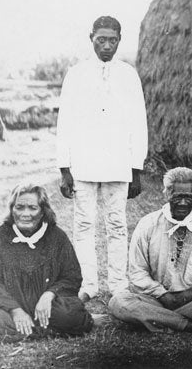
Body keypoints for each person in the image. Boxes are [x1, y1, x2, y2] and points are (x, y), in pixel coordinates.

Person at [56, 15, 148, 302]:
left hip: (118, 162)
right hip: (84, 161)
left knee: (117, 225)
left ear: (119, 40)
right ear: (91, 38)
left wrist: (136, 167)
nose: (107, 46)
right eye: (101, 40)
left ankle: (118, 284)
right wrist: (64, 167)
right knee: (84, 225)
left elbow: (138, 122)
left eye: (112, 40)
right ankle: (89, 284)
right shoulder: (77, 73)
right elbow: (65, 121)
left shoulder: (128, 74)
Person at [109, 167, 192, 333]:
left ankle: (159, 319)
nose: (183, 203)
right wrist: (163, 295)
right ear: (167, 194)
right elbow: (137, 273)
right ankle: (191, 325)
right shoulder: (147, 224)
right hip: (155, 299)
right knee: (119, 301)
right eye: (178, 197)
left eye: (188, 197)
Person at [0, 183, 93, 341]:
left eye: (32, 208)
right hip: (9, 306)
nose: (25, 214)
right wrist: (15, 310)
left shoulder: (57, 237)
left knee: (68, 317)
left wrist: (48, 295)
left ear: (43, 211)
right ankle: (43, 329)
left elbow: (71, 276)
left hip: (48, 305)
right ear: (12, 209)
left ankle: (28, 329)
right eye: (19, 207)